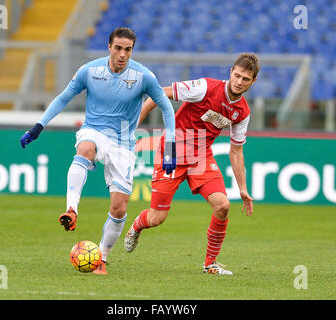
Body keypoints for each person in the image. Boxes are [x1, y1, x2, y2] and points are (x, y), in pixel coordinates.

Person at [20, 27, 176, 275]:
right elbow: (63, 97)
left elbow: (167, 108)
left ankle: (100, 258)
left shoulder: (143, 76)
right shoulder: (89, 71)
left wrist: (170, 147)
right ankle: (72, 209)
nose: (122, 54)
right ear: (109, 47)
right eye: (118, 48)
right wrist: (39, 126)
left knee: (119, 208)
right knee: (85, 147)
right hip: (94, 130)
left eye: (128, 49)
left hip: (123, 144)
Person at [124, 53, 259, 275]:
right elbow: (156, 96)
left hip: (201, 156)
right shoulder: (204, 87)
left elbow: (236, 151)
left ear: (253, 81)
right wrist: (132, 129)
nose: (239, 82)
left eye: (245, 79)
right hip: (172, 150)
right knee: (157, 218)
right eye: (237, 75)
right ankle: (137, 225)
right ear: (230, 72)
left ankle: (210, 264)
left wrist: (243, 189)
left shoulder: (242, 112)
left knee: (223, 206)